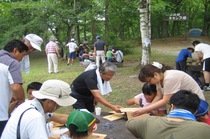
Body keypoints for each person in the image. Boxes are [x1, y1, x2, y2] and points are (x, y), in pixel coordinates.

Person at [1, 79, 77, 139]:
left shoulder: (30, 106)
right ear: (50, 102)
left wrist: (79, 120)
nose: (59, 107)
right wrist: (65, 136)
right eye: (59, 104)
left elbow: (60, 117)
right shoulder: (35, 117)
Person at [126, 90, 210, 139]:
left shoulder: (148, 122)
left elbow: (129, 124)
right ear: (195, 112)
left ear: (172, 106)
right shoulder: (204, 129)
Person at [131, 62, 205, 117]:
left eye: (149, 81)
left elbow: (165, 100)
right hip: (184, 103)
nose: (149, 83)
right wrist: (147, 108)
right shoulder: (159, 80)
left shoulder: (170, 78)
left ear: (155, 75)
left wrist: (144, 110)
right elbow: (159, 96)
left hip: (197, 105)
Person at [0, 39, 29, 137]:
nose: (21, 59)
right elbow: (16, 87)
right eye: (23, 55)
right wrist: (22, 102)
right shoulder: (12, 62)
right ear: (15, 50)